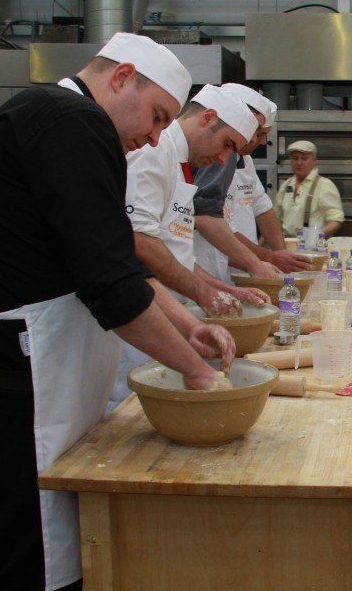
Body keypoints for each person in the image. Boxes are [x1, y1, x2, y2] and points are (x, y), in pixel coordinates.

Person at [0, 33, 238, 591]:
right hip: (16, 392)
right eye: (157, 116)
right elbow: (109, 285)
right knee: (34, 583)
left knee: (47, 571)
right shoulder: (71, 122)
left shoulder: (55, 119)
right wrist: (200, 376)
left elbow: (109, 260)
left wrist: (189, 325)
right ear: (121, 78)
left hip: (25, 387)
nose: (155, 137)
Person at [110, 83, 271, 411]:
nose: (223, 159)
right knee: (129, 411)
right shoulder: (154, 153)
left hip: (172, 316)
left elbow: (175, 254)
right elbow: (141, 245)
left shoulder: (181, 163)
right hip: (143, 322)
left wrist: (223, 289)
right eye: (227, 145)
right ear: (207, 118)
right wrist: (205, 294)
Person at [193, 97, 311, 277]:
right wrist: (267, 258)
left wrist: (282, 256)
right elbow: (210, 220)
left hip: (243, 269)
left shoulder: (245, 160)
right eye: (259, 133)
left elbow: (262, 207)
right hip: (212, 266)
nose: (260, 141)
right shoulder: (217, 161)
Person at [274, 140, 345, 241]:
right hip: (286, 244)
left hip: (314, 246)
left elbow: (336, 220)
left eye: (304, 158)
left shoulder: (325, 185)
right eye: (295, 158)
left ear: (314, 160)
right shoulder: (286, 185)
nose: (299, 163)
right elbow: (275, 221)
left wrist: (316, 238)